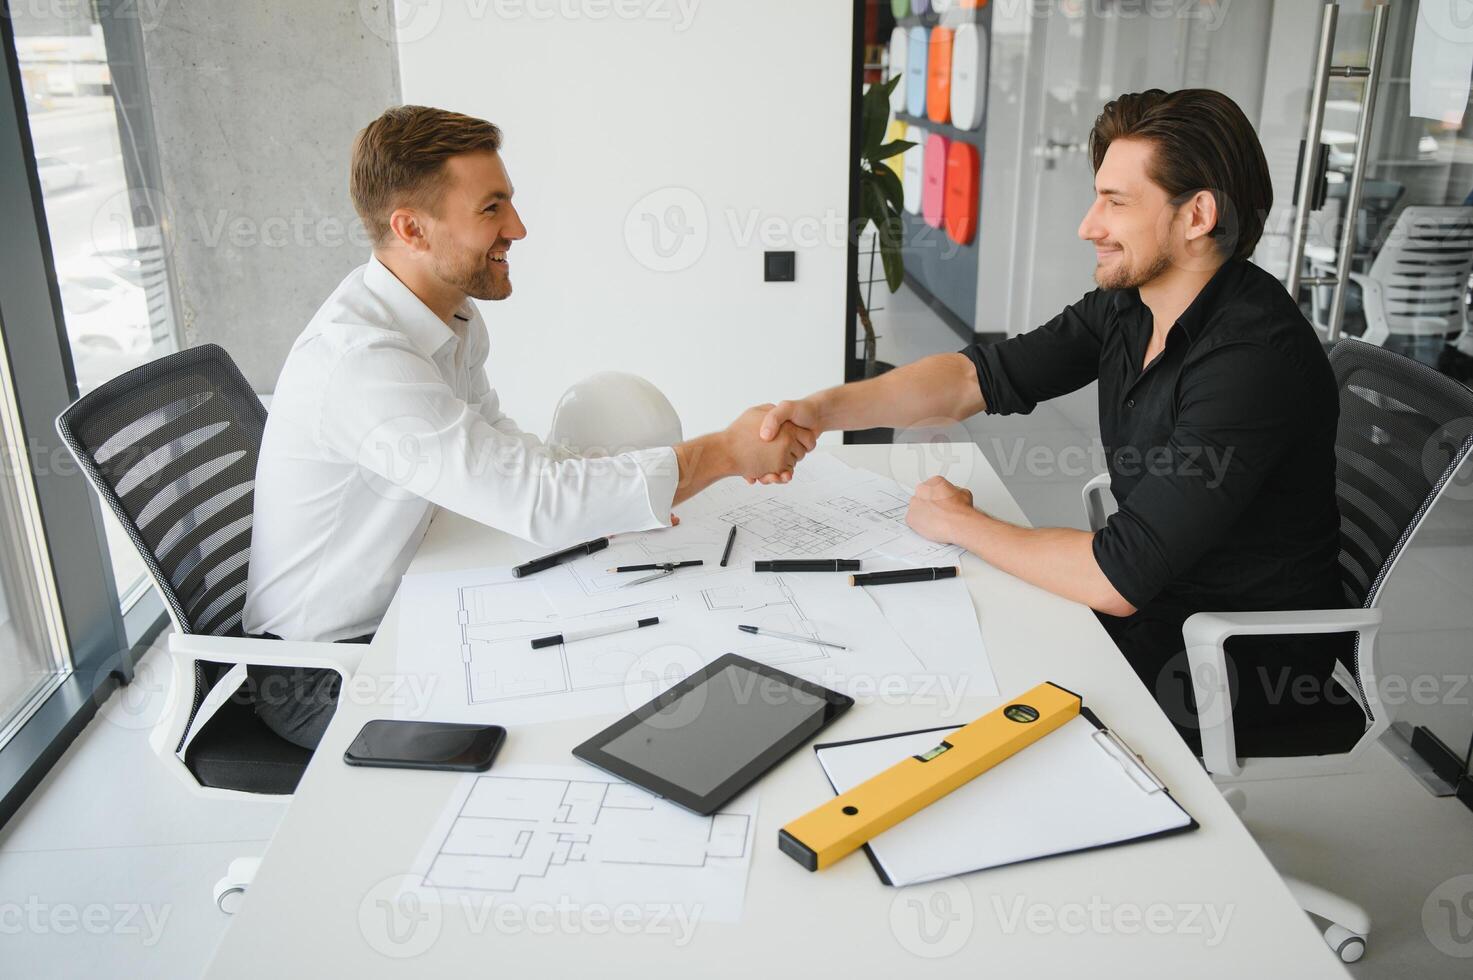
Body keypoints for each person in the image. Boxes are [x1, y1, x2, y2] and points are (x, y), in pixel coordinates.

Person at [758, 89, 1347, 752]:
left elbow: (1114, 580)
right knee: (944, 642)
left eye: (1115, 202)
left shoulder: (1250, 360)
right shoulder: (1131, 304)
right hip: (1160, 589)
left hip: (1232, 652)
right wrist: (820, 411)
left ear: (1196, 216)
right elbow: (971, 379)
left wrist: (957, 520)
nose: (1088, 225)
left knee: (977, 706)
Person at [242, 105, 815, 749]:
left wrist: (612, 494)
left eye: (509, 202)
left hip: (409, 607)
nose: (517, 227)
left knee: (613, 642)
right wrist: (724, 453)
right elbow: (533, 499)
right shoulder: (365, 364)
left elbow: (505, 451)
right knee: (566, 722)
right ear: (412, 228)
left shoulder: (448, 319)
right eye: (491, 208)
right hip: (323, 671)